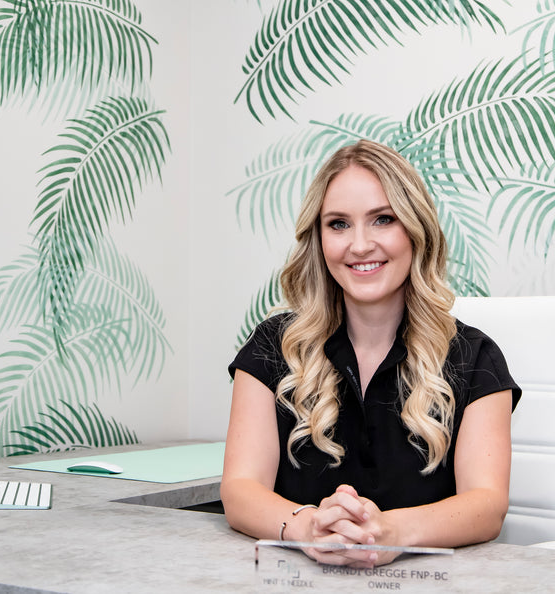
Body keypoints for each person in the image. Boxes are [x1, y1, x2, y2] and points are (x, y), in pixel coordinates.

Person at [221, 139, 521, 567]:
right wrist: (308, 527)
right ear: (318, 239)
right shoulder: (272, 348)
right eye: (338, 224)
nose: (359, 245)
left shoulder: (474, 358)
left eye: (382, 219)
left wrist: (389, 533)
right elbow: (239, 489)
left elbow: (487, 504)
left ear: (416, 230)